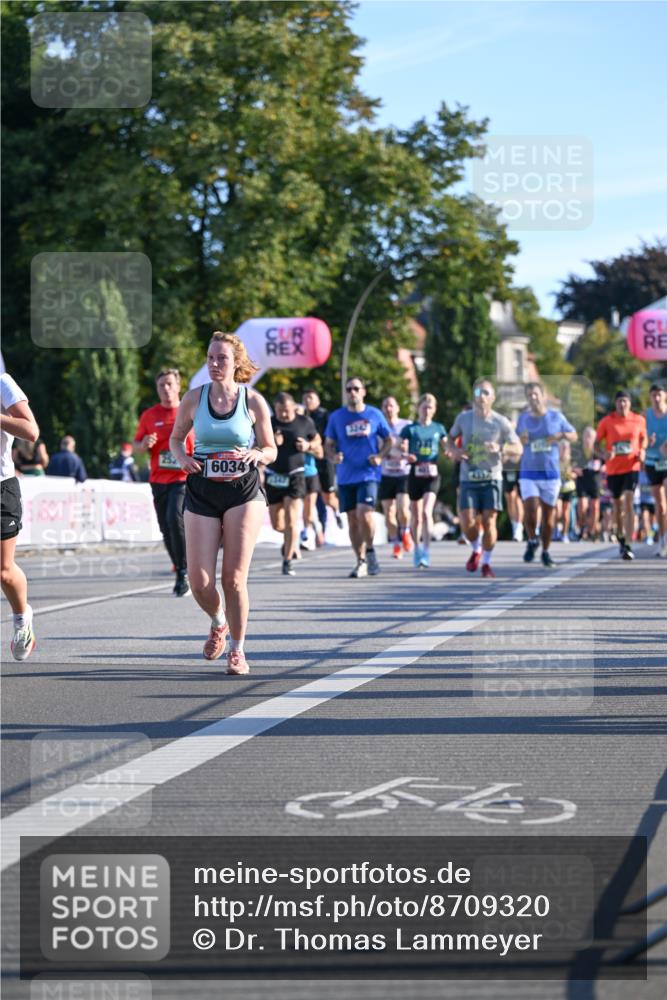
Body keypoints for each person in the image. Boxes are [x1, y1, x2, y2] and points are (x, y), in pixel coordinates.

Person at [169, 331, 276, 675]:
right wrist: (183, 457)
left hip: (242, 490)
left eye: (222, 359)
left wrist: (257, 452)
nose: (215, 364)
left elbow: (271, 448)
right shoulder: (194, 398)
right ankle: (219, 621)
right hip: (202, 488)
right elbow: (175, 438)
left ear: (237, 363)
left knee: (233, 579)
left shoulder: (253, 401)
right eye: (211, 357)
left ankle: (238, 650)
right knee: (199, 582)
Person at [448, 378, 522, 579]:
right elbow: (449, 438)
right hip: (468, 478)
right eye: (478, 393)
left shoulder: (501, 422)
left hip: (492, 478)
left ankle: (487, 563)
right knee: (467, 523)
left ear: (493, 398)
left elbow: (518, 448)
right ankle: (476, 548)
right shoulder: (464, 419)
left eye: (486, 393)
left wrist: (501, 447)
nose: (481, 397)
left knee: (490, 522)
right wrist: (453, 451)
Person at [134, 368, 194, 596]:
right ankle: (180, 566)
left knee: (174, 518)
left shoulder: (190, 412)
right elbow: (136, 444)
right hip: (158, 479)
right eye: (161, 385)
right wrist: (144, 444)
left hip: (184, 477)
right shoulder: (149, 415)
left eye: (170, 384)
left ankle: (183, 572)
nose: (166, 389)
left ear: (178, 386)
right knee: (165, 527)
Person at [324, 377, 392, 578]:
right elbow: (328, 443)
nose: (352, 392)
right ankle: (360, 560)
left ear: (363, 391)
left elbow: (388, 440)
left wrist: (380, 456)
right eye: (349, 389)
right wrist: (333, 456)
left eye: (356, 388)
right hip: (345, 476)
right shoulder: (337, 417)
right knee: (353, 520)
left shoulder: (374, 414)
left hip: (369, 473)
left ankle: (370, 550)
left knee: (365, 513)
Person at [1, 373, 40, 660]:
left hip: (1, 487)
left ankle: (21, 617)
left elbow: (31, 431)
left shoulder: (3, 383)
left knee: (3, 569)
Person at [517, 382, 577, 568]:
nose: (532, 398)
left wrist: (561, 435)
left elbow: (574, 434)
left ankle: (545, 551)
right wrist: (521, 439)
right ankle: (532, 539)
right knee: (530, 508)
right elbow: (515, 439)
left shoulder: (556, 416)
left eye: (535, 394)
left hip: (551, 473)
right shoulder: (523, 418)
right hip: (528, 471)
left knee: (549, 517)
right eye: (529, 395)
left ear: (543, 396)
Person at [265, 392, 321, 576]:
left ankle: (287, 561)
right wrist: (272, 442)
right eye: (280, 411)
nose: (284, 415)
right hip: (273, 475)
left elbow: (317, 440)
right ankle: (291, 539)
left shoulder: (304, 422)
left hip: (296, 475)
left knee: (291, 519)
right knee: (277, 524)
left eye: (287, 411)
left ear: (293, 408)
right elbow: (256, 446)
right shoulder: (269, 422)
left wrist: (307, 446)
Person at [595, 390, 647, 560]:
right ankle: (621, 540)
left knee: (629, 501)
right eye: (619, 401)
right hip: (613, 470)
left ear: (630, 403)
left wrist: (643, 450)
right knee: (617, 507)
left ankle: (629, 543)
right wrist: (604, 454)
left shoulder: (638, 420)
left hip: (632, 467)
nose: (622, 404)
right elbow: (596, 444)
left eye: (625, 401)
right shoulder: (607, 421)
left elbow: (643, 439)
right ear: (615, 403)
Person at [400, 393, 447, 568]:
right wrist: (406, 454)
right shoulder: (411, 429)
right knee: (417, 516)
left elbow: (447, 445)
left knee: (427, 512)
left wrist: (451, 451)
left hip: (432, 474)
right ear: (418, 408)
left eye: (430, 407)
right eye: (424, 407)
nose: (426, 411)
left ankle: (426, 550)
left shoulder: (438, 428)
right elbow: (400, 445)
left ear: (434, 410)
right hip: (415, 473)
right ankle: (417, 548)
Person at [302, 389, 343, 531]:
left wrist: (333, 453)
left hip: (325, 461)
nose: (308, 401)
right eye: (305, 398)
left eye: (311, 398)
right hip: (308, 463)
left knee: (328, 498)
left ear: (318, 401)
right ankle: (314, 530)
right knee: (311, 498)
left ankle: (337, 511)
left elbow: (332, 438)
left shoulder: (325, 416)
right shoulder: (301, 417)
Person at [379, 395, 412, 559]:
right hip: (386, 473)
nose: (389, 409)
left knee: (403, 509)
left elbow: (413, 446)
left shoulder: (406, 425)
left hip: (403, 473)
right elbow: (376, 447)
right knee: (389, 513)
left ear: (397, 408)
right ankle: (396, 544)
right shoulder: (379, 426)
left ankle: (405, 532)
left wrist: (405, 447)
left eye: (391, 405)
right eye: (385, 406)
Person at [644, 383, 667, 557]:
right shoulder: (646, 416)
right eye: (654, 395)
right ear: (650, 397)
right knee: (660, 506)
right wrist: (647, 442)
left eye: (659, 395)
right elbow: (640, 437)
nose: (657, 398)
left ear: (664, 395)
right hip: (652, 462)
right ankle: (662, 539)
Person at [574, 426, 602, 540]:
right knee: (582, 506)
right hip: (582, 481)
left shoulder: (598, 451)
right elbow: (570, 464)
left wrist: (603, 467)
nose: (587, 439)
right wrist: (574, 469)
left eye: (590, 436)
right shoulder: (578, 451)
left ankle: (591, 530)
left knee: (595, 507)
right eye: (586, 436)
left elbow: (606, 462)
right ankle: (582, 527)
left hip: (595, 481)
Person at [556, 440, 577, 543]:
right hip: (557, 488)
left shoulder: (571, 461)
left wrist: (570, 474)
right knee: (558, 510)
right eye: (562, 448)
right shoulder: (555, 460)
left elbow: (576, 473)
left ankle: (564, 534)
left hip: (568, 488)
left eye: (565, 448)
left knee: (565, 512)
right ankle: (556, 530)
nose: (563, 450)